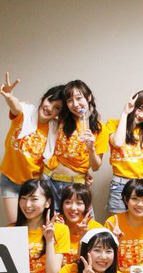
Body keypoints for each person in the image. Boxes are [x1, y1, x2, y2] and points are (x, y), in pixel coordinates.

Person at [0, 72, 64, 224]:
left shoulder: (54, 130)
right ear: (44, 98)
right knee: (15, 226)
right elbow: (15, 106)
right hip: (10, 180)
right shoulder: (25, 113)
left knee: (35, 226)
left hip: (34, 185)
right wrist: (9, 97)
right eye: (49, 101)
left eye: (57, 108)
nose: (50, 108)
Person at [45, 80, 109, 208]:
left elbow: (95, 167)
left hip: (76, 186)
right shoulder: (61, 121)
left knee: (81, 220)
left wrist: (91, 148)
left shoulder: (100, 129)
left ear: (88, 97)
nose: (75, 104)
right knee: (51, 220)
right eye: (70, 100)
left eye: (79, 98)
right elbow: (47, 106)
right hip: (50, 181)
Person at [106, 90, 143, 214]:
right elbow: (118, 143)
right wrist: (125, 113)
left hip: (142, 185)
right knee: (118, 224)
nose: (142, 115)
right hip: (119, 185)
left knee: (141, 223)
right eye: (139, 109)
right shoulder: (113, 124)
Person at [103, 178, 143, 273]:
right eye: (134, 199)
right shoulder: (112, 223)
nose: (140, 204)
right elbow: (103, 257)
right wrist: (114, 242)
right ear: (126, 199)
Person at [58, 183, 103, 265]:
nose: (73, 208)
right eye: (68, 202)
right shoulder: (55, 226)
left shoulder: (97, 230)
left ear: (87, 206)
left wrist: (83, 237)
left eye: (79, 203)